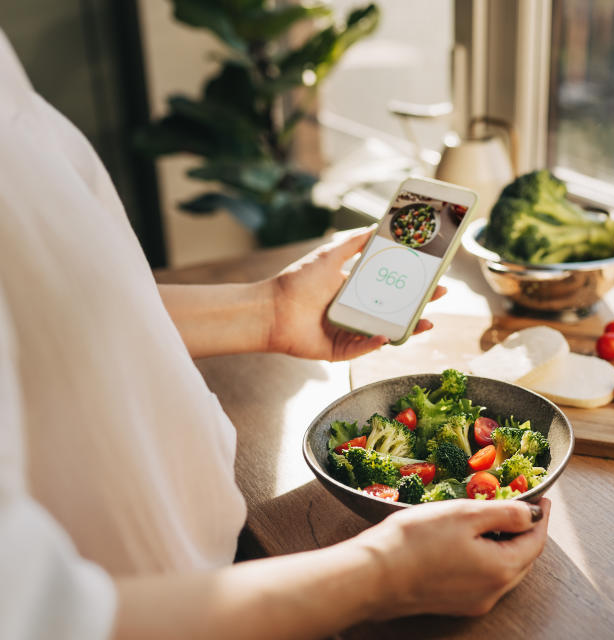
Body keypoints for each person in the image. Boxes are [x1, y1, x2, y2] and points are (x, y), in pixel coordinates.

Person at [0, 29, 550, 639]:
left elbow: (41, 306)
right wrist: (384, 572)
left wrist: (270, 310)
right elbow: (36, 618)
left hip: (212, 579)